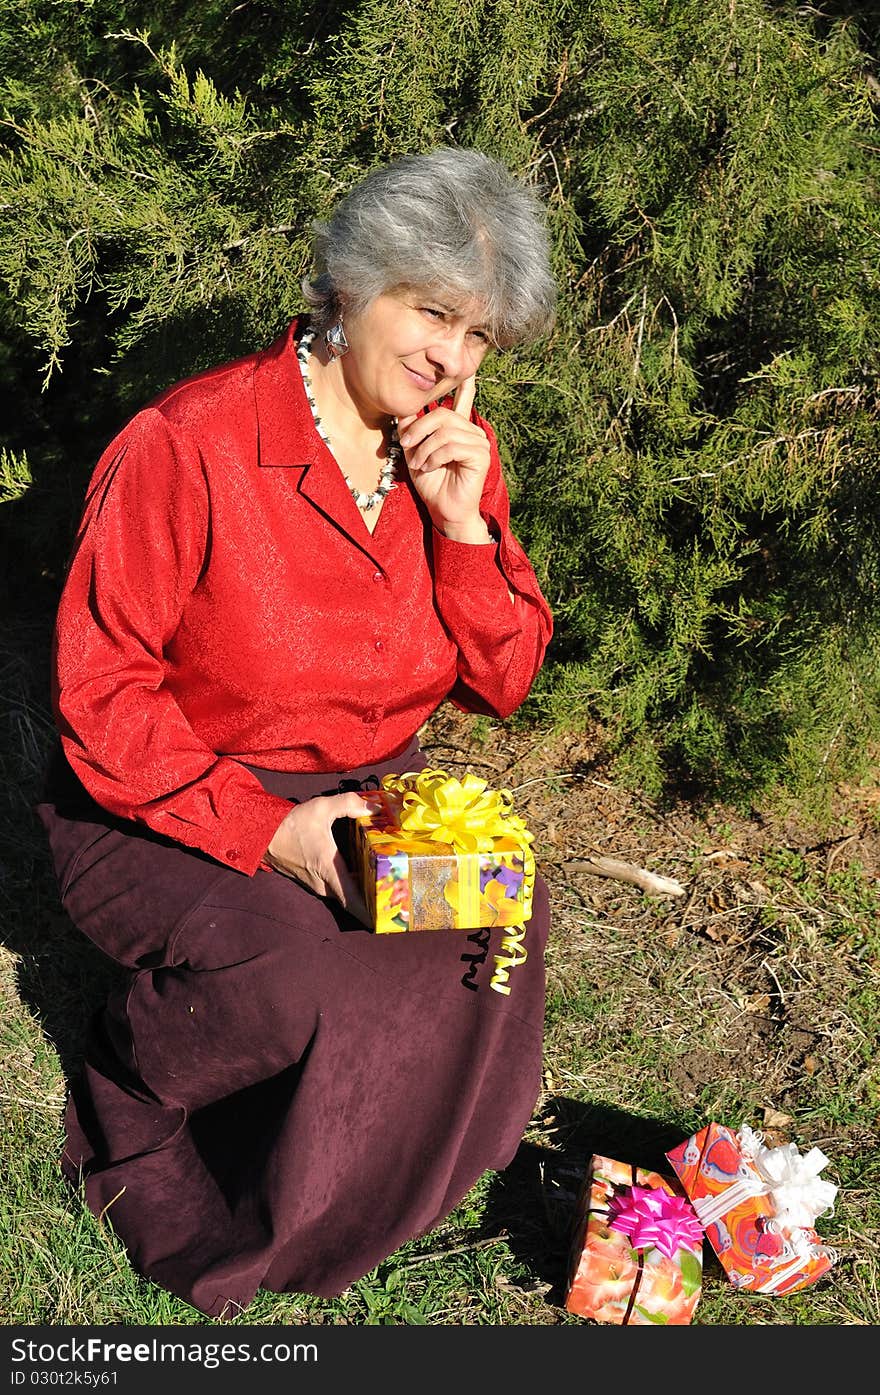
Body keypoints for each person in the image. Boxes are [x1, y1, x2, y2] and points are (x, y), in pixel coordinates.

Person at [37, 146, 557, 1320]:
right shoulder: (190, 443)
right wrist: (272, 834)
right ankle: (136, 1081)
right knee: (292, 970)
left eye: (480, 337)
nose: (450, 360)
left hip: (368, 790)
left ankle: (369, 1178)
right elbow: (102, 700)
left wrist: (464, 530)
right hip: (164, 792)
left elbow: (507, 680)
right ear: (347, 284)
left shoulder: (450, 461)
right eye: (432, 314)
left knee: (483, 918)